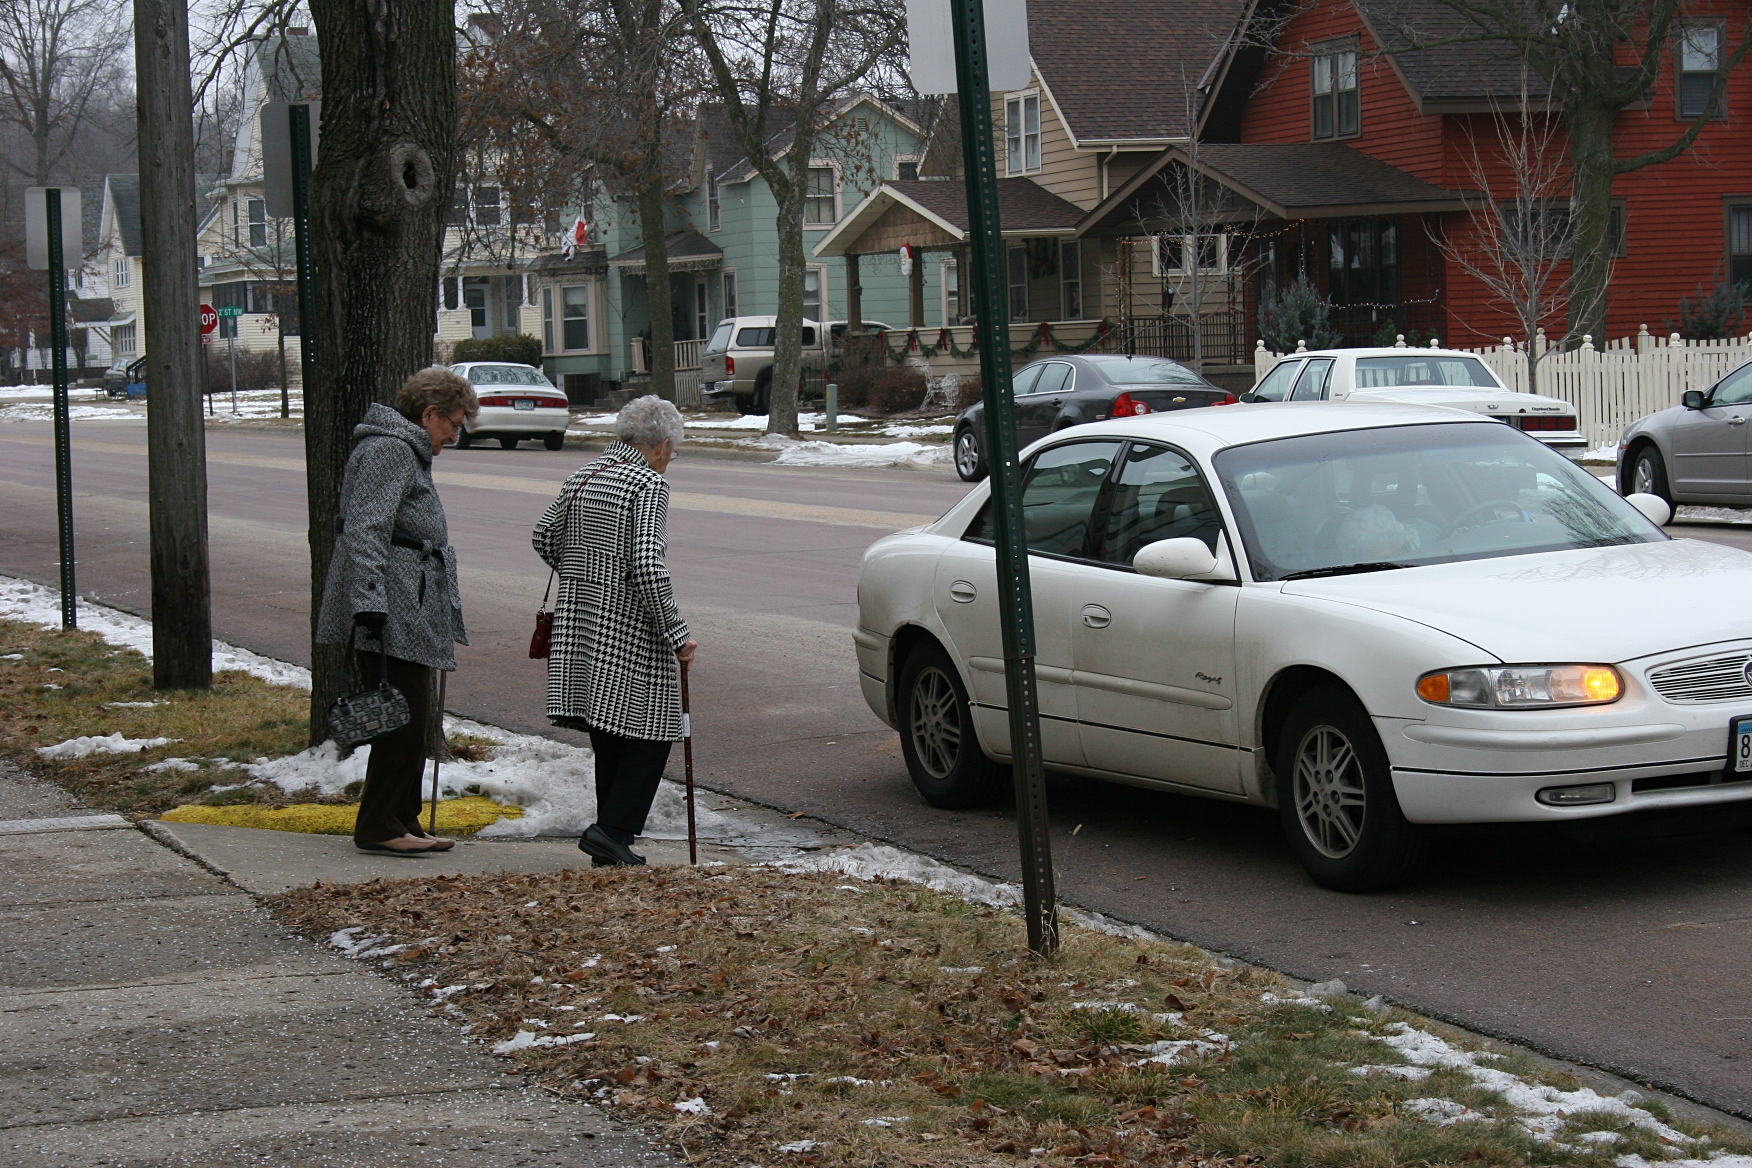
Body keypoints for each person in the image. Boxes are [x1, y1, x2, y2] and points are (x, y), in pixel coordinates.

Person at [316, 368, 477, 855]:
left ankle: (402, 818)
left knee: (410, 713)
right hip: (390, 606)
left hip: (408, 602)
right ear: (429, 414)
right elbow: (365, 528)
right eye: (454, 423)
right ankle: (379, 825)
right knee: (402, 718)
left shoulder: (403, 449)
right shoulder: (388, 449)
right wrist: (368, 603)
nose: (455, 434)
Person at [533, 395, 697, 867]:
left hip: (581, 622)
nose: (670, 461)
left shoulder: (586, 475)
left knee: (609, 729)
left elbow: (544, 537)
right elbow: (647, 566)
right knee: (653, 729)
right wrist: (678, 633)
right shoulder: (647, 484)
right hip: (630, 625)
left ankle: (611, 839)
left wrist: (584, 578)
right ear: (662, 445)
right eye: (673, 452)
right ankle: (612, 831)